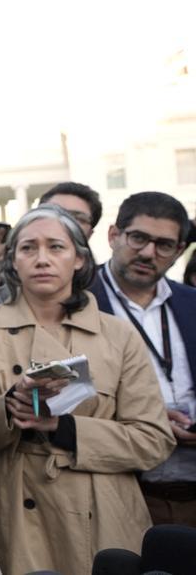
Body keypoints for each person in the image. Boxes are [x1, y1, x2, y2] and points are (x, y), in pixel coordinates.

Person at [0, 204, 175, 575]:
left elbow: (154, 439)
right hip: (16, 511)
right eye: (28, 248)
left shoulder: (119, 334)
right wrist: (13, 404)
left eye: (56, 247)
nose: (41, 259)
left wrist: (63, 429)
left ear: (79, 258)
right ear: (12, 260)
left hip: (105, 513)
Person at [88, 191, 196, 527]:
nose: (149, 252)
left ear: (179, 251)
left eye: (164, 245)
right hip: (121, 493)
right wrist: (146, 416)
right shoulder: (75, 302)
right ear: (113, 235)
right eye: (138, 238)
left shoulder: (192, 303)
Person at [0, 181, 102, 338]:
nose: (58, 221)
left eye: (77, 218)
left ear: (89, 233)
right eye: (50, 212)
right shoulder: (9, 289)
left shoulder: (108, 295)